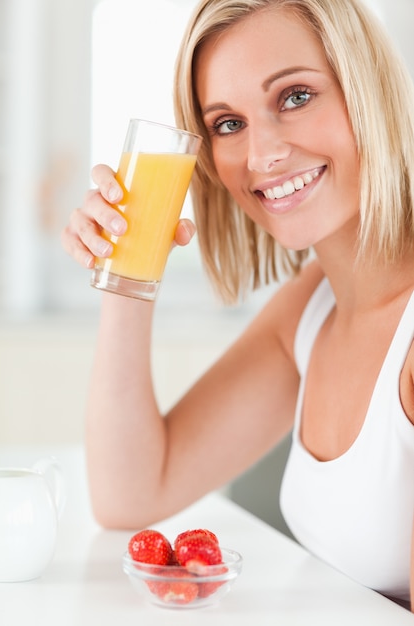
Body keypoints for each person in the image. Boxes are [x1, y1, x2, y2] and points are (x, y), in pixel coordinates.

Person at [62, 0, 414, 611]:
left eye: (296, 96)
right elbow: (130, 494)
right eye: (228, 124)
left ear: (366, 88)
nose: (261, 155)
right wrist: (127, 266)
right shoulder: (315, 306)